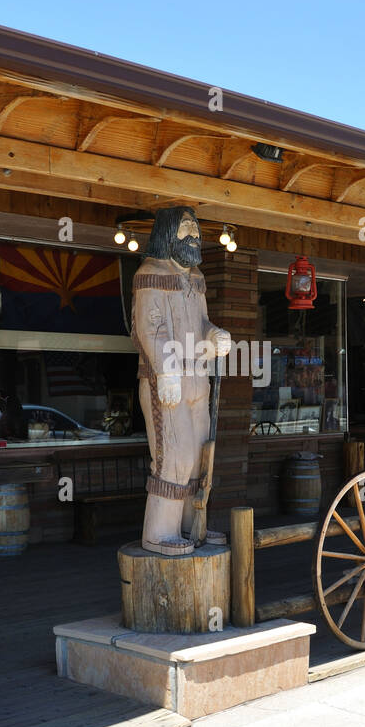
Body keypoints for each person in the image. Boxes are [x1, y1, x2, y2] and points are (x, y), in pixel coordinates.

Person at [130, 206, 231, 555]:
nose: (194, 234)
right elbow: (149, 330)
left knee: (200, 456)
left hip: (197, 378)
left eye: (196, 228)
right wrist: (167, 371)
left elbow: (201, 323)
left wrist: (214, 334)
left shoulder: (196, 278)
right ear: (167, 233)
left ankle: (193, 525)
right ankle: (159, 531)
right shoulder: (150, 274)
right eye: (186, 227)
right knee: (174, 455)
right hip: (166, 380)